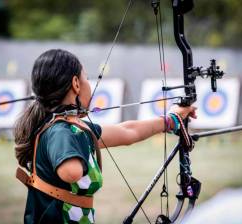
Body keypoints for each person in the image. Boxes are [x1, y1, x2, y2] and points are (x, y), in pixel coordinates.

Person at [14, 49, 196, 224]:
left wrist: (171, 119)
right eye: (86, 78)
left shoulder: (73, 129)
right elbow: (71, 172)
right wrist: (83, 139)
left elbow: (128, 132)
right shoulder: (60, 132)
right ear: (76, 84)